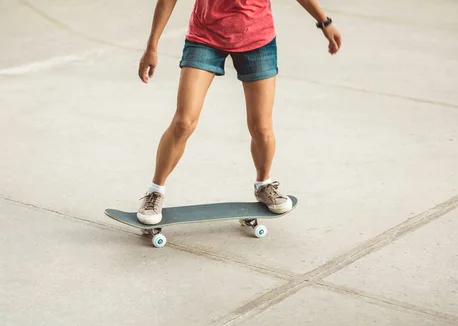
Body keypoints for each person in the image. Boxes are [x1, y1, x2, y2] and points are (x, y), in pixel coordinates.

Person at [136, 0, 342, 224]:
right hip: (205, 37)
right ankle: (155, 191)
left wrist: (324, 22)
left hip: (257, 39)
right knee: (184, 122)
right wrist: (152, 46)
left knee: (261, 128)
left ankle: (264, 184)